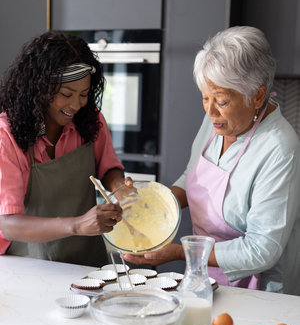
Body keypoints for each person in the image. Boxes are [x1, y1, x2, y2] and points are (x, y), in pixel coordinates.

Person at [124, 26, 300, 295]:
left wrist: (180, 253)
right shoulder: (219, 120)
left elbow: (262, 250)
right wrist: (150, 207)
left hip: (258, 287)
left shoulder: (279, 148)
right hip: (205, 274)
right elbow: (192, 177)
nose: (210, 111)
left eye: (221, 101)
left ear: (258, 96)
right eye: (205, 97)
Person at [0, 31, 130, 267]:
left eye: (83, 94)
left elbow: (108, 169)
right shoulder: (6, 137)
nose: (76, 105)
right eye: (66, 94)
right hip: (27, 264)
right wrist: (78, 225)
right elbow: (9, 225)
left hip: (85, 262)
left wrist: (120, 189)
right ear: (39, 88)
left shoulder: (90, 121)